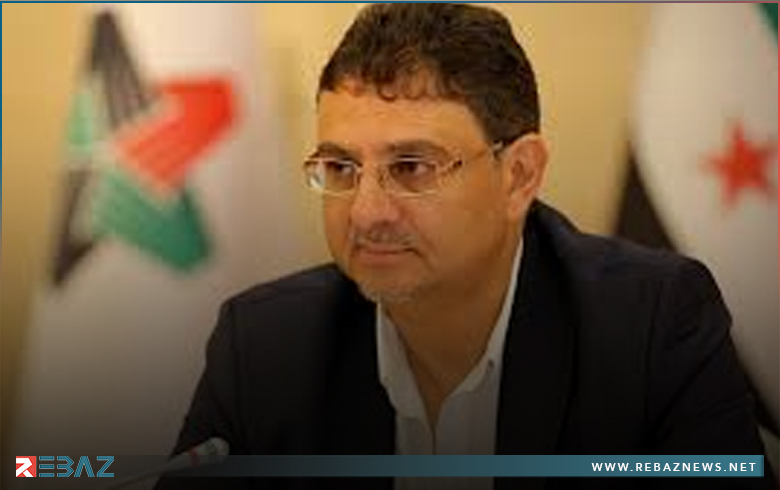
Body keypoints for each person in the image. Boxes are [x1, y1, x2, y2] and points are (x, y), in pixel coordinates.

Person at [156, 4, 773, 490]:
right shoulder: (264, 345)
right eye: (340, 168)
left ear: (519, 175)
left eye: (412, 168)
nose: (366, 211)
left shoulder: (650, 324)